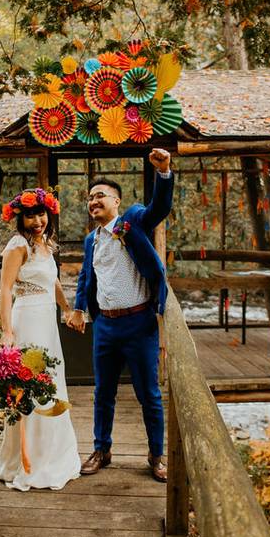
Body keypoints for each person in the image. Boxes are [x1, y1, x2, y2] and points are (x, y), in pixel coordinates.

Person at [67, 148, 174, 482]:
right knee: (103, 394)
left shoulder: (134, 220)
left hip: (139, 324)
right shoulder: (91, 240)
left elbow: (160, 207)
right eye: (89, 197)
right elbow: (87, 276)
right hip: (106, 327)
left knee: (149, 395)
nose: (93, 201)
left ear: (116, 201)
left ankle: (157, 455)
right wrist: (80, 308)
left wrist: (164, 172)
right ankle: (102, 449)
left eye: (100, 195)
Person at [0, 187, 81, 491]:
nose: (37, 220)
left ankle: (52, 455)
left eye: (41, 214)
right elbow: (5, 290)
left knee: (51, 382)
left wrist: (68, 308)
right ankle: (27, 461)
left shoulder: (45, 244)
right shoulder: (17, 246)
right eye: (31, 215)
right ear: (21, 218)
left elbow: (53, 281)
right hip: (27, 321)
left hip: (47, 321)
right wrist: (7, 330)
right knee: (30, 387)